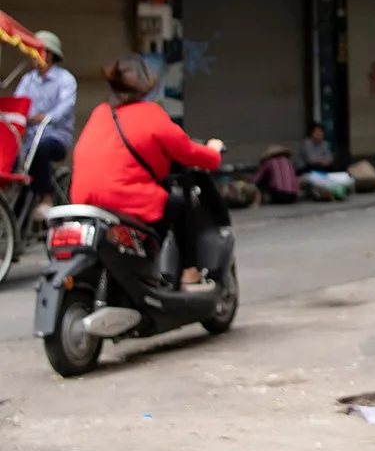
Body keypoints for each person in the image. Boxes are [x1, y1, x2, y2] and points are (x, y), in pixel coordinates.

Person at [71, 55, 222, 285]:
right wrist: (214, 150)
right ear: (145, 87)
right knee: (181, 201)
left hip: (86, 204)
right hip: (126, 204)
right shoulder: (151, 114)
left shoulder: (99, 113)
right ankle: (189, 272)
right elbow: (188, 152)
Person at [15, 30, 77, 221]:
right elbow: (19, 104)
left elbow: (65, 108)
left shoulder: (65, 79)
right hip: (30, 141)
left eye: (38, 51)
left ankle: (47, 197)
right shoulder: (28, 80)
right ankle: (16, 223)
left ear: (49, 54)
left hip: (56, 138)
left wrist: (44, 117)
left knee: (39, 151)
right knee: (18, 169)